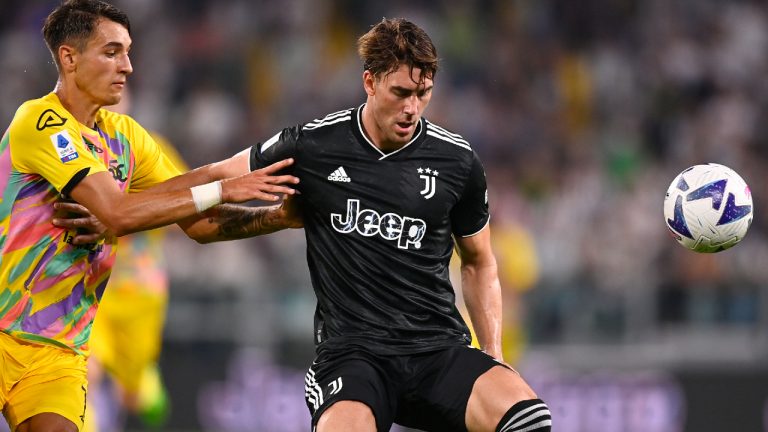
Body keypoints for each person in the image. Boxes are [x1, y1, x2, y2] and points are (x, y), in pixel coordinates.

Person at [183, 17, 553, 432]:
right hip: (352, 357)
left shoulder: (458, 161)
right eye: (400, 92)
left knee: (529, 420)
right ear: (370, 82)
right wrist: (143, 201)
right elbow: (206, 196)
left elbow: (479, 261)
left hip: (435, 351)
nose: (412, 107)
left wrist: (493, 354)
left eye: (423, 93)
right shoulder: (313, 145)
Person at [0, 1, 297, 431]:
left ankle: (140, 385)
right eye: (112, 52)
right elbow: (115, 213)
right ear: (69, 58)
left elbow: (201, 222)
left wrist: (280, 215)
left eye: (128, 52)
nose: (128, 66)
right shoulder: (41, 121)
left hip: (56, 350)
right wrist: (223, 186)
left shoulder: (128, 139)